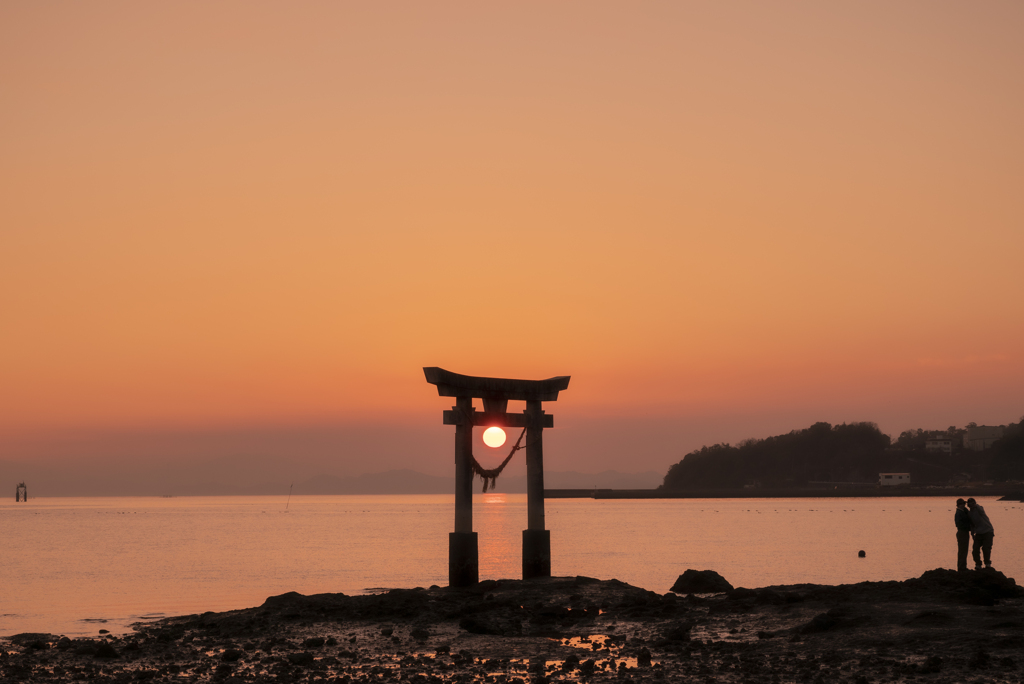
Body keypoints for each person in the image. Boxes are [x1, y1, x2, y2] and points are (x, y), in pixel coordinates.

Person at [967, 498, 995, 569]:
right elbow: (972, 524)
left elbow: (981, 509)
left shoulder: (980, 509)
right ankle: (978, 564)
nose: (971, 505)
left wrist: (975, 505)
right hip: (978, 533)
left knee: (986, 548)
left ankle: (987, 563)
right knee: (975, 549)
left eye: (972, 503)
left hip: (988, 531)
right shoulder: (970, 513)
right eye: (969, 503)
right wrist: (972, 533)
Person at [954, 498, 972, 572]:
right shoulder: (958, 513)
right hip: (962, 532)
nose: (964, 505)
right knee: (962, 550)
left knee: (964, 550)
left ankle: (963, 567)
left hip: (964, 532)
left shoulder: (963, 511)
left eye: (964, 504)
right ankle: (961, 568)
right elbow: (958, 524)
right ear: (959, 505)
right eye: (962, 504)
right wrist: (968, 527)